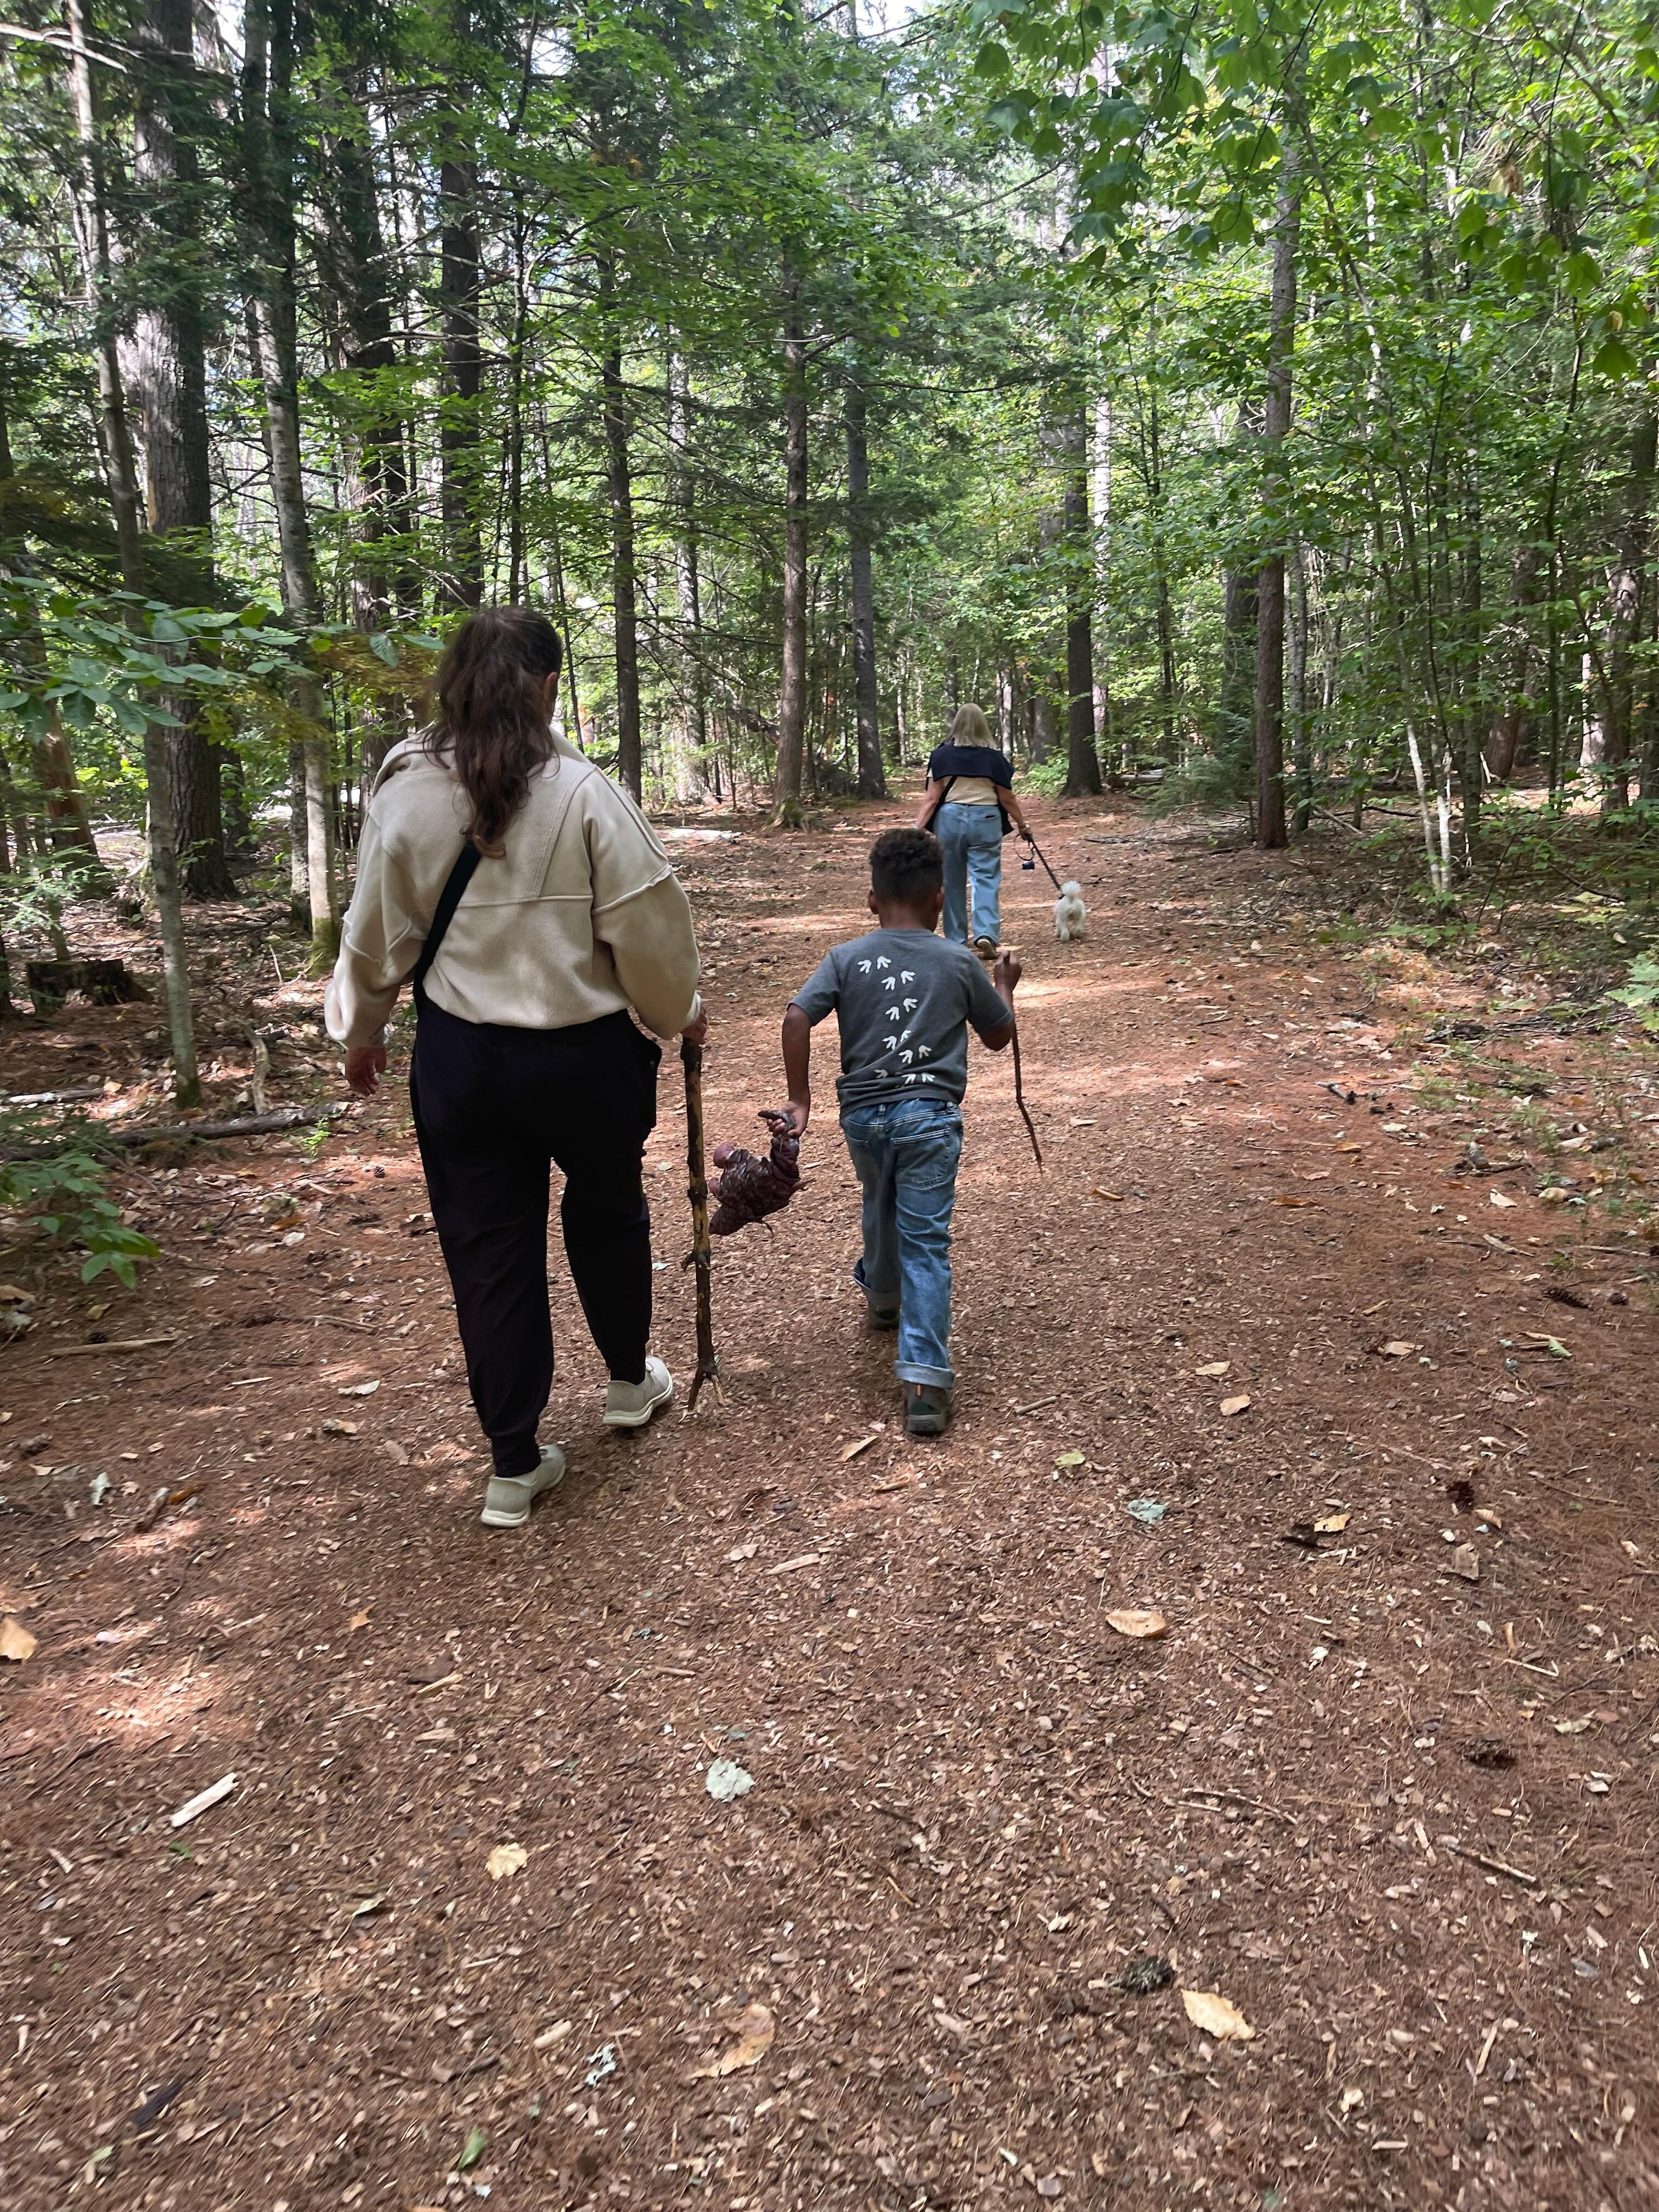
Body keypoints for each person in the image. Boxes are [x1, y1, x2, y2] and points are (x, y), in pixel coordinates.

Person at [325, 606, 704, 1531]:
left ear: (452, 682)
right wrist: (676, 1013)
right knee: (607, 1206)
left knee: (489, 1249)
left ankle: (512, 1463)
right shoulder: (584, 793)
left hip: (464, 1061)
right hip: (583, 1059)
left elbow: (376, 931)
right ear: (545, 688)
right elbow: (649, 932)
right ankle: (624, 1382)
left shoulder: (404, 791)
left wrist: (360, 1027)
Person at [780, 827, 1021, 1438]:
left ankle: (884, 1299)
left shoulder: (845, 958)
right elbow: (998, 1037)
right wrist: (1002, 987)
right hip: (930, 1119)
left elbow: (797, 1015)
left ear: (871, 900)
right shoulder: (959, 961)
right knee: (926, 1240)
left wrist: (801, 1099)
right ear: (940, 900)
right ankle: (924, 1385)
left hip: (863, 1118)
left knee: (877, 1200)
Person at [915, 703, 1032, 958]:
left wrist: (917, 828)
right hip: (986, 819)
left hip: (950, 819)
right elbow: (1007, 799)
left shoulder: (941, 756)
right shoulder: (994, 758)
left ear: (956, 724)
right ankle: (986, 934)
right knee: (985, 879)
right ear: (983, 725)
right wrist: (1022, 826)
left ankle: (956, 941)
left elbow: (932, 799)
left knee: (950, 880)